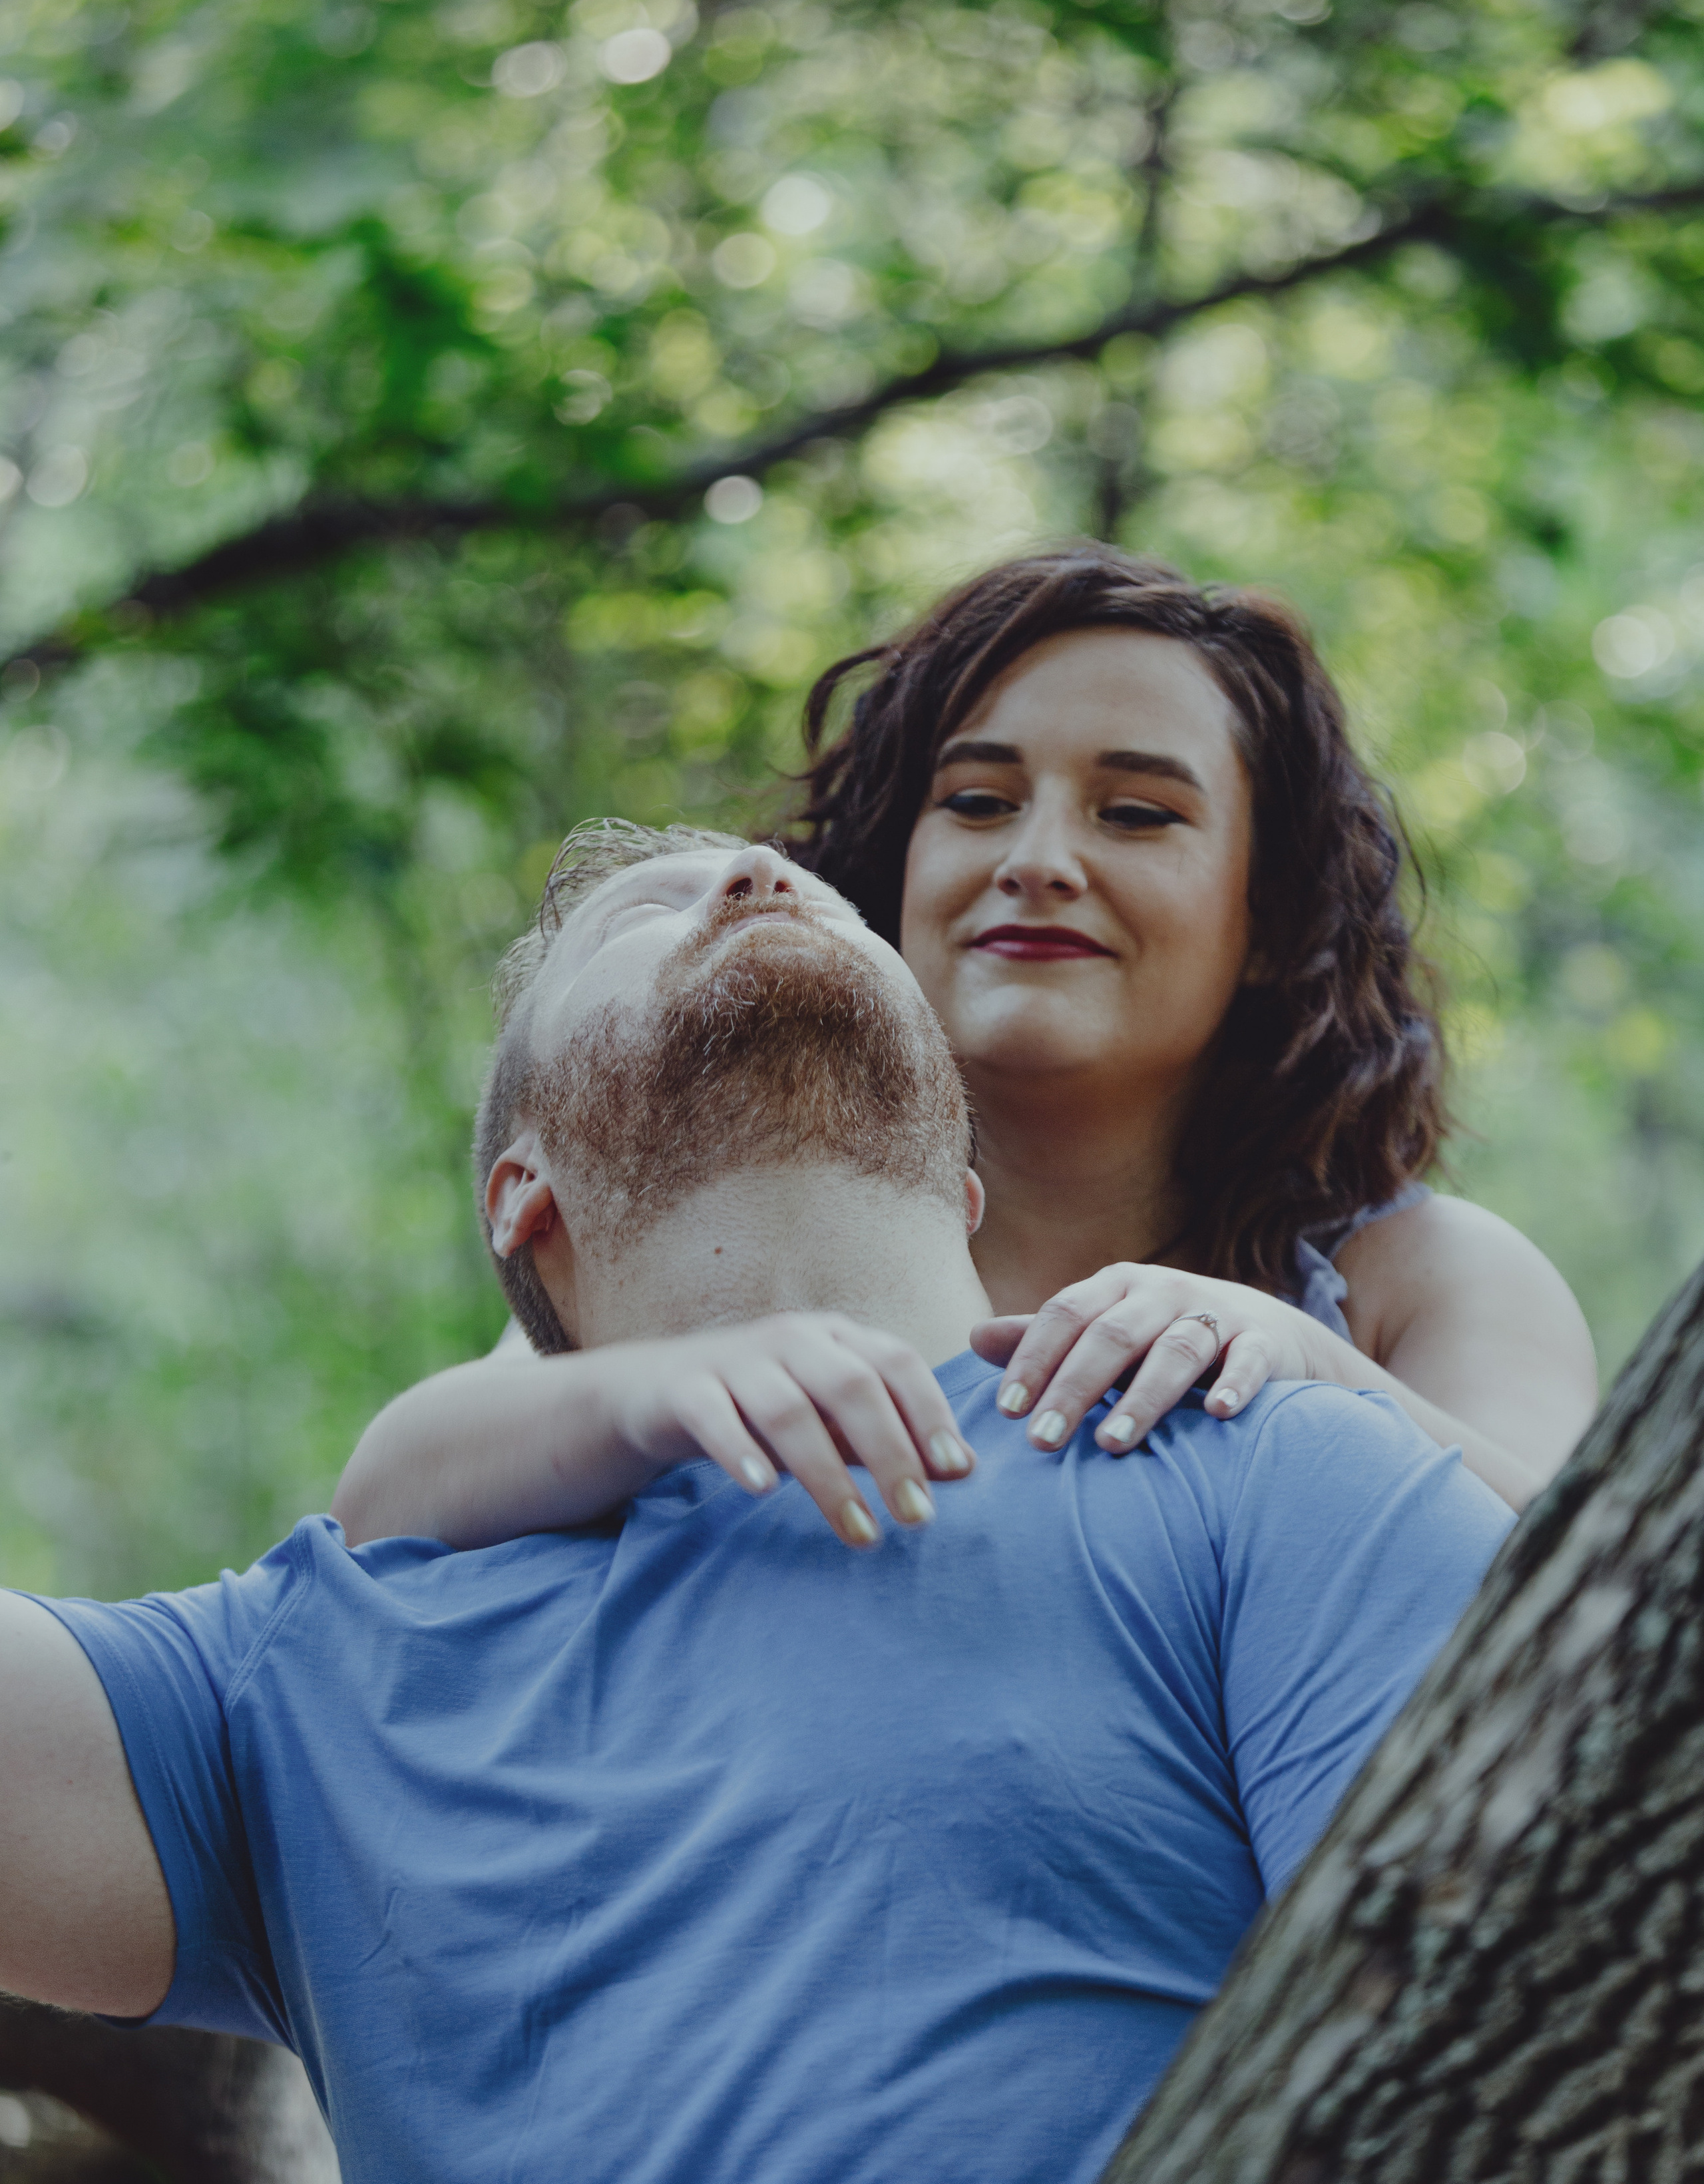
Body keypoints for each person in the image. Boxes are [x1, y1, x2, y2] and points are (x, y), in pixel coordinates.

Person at [1, 829, 1514, 2184]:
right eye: (647, 915)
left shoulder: (1252, 1461)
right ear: (522, 1199)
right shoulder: (291, 1679)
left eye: (832, 908)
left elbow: (1517, 2028)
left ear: (962, 1173)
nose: (756, 877)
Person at [334, 549, 1597, 1554]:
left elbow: (1587, 1603)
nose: (1037, 861)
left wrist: (1304, 1370)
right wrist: (671, 1387)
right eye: (979, 802)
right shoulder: (741, 1242)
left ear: (1269, 922)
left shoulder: (1417, 1278)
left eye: (1139, 814)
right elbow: (389, 1496)